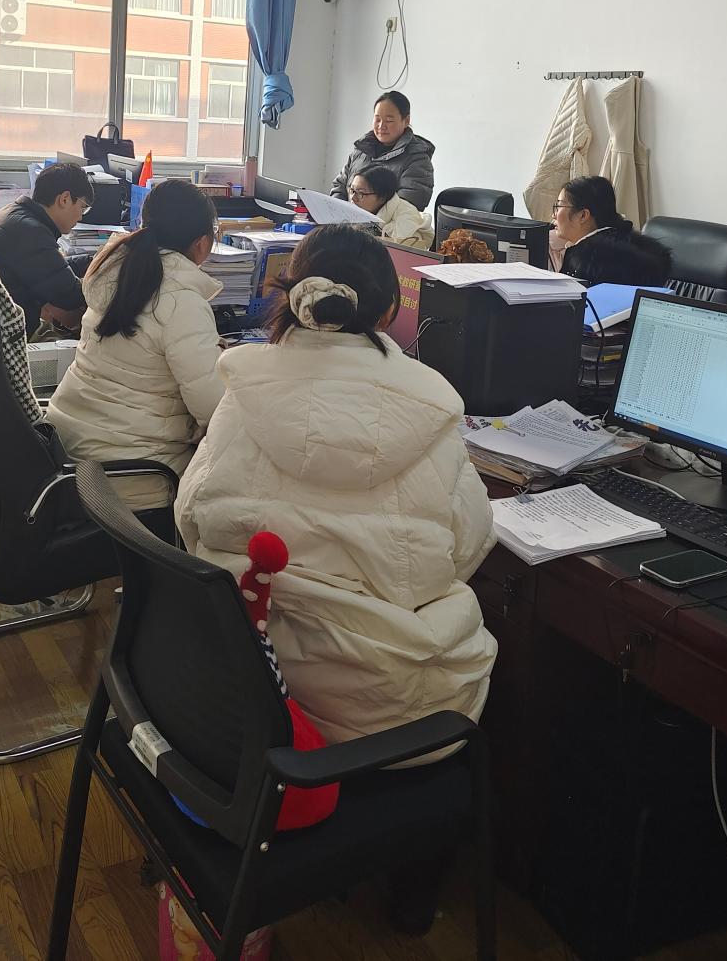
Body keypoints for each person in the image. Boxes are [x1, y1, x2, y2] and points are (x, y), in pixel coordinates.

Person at [175, 224, 497, 752]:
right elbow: (468, 548)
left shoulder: (244, 390)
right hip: (389, 717)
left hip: (245, 690)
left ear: (294, 296)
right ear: (389, 312)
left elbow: (190, 516)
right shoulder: (431, 409)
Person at [47, 178, 224, 509]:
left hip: (70, 452)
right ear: (202, 243)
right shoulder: (183, 302)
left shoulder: (118, 272)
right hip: (133, 475)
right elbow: (216, 410)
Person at [0, 162, 94, 335]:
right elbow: (69, 296)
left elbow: (51, 269)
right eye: (82, 207)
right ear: (65, 199)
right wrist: (107, 279)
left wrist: (91, 261)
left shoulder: (15, 214)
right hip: (2, 335)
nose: (81, 216)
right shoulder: (32, 232)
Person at [551, 175, 671, 287]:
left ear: (583, 215)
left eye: (559, 206)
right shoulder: (630, 248)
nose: (553, 215)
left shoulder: (589, 265)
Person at [330, 91, 435, 210]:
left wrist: (360, 219)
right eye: (377, 119)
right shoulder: (361, 151)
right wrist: (338, 213)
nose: (381, 126)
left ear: (406, 121)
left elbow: (405, 208)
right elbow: (339, 186)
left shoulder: (417, 159)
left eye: (389, 120)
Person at [348, 165, 434, 249]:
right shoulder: (360, 212)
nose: (353, 198)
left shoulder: (407, 218)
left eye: (360, 193)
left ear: (382, 197)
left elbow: (396, 252)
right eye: (352, 190)